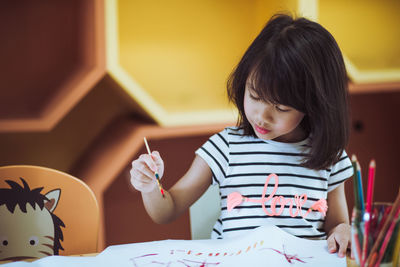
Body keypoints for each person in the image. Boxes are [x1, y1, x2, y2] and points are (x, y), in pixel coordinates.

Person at [130, 13, 353, 258]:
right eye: (255, 96)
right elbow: (167, 210)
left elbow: (337, 225)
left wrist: (343, 231)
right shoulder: (226, 147)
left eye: (281, 108)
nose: (262, 116)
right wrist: (151, 186)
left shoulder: (328, 156)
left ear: (313, 104)